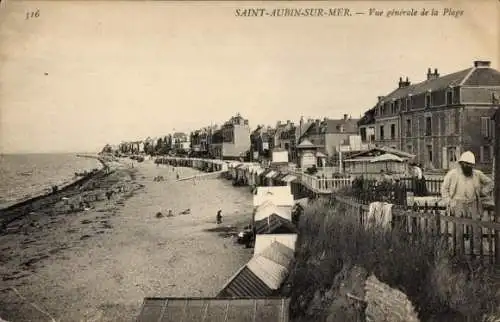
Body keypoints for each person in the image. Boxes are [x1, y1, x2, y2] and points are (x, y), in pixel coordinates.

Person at [441, 151, 493, 255]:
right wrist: (449, 202)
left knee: (475, 229)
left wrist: (483, 192)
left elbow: (490, 183)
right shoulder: (452, 174)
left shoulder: (477, 174)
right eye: (467, 164)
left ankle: (476, 253)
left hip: (473, 203)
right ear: (461, 163)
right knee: (458, 230)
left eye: (471, 164)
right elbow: (444, 188)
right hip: (457, 204)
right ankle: (458, 253)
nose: (469, 166)